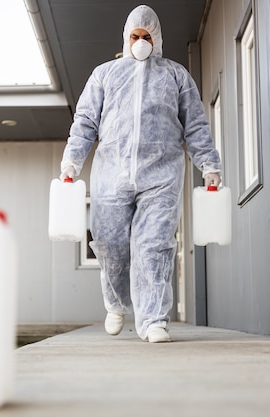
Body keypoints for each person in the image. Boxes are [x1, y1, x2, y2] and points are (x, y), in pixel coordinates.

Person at [59, 4, 222, 343]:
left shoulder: (176, 76)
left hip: (161, 176)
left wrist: (208, 163)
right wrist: (72, 161)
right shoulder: (104, 75)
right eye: (135, 36)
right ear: (126, 37)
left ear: (157, 38)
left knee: (154, 245)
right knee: (110, 243)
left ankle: (153, 321)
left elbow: (194, 124)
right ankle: (116, 304)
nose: (141, 42)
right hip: (111, 175)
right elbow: (86, 121)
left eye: (146, 36)